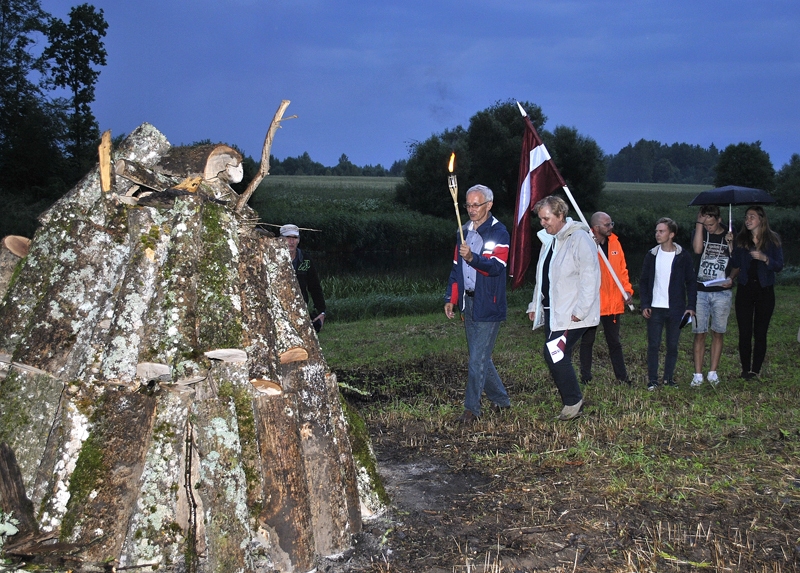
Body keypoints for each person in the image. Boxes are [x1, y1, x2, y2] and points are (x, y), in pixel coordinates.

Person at [444, 185, 511, 425]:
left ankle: (471, 409)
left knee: (477, 360)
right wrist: (451, 298)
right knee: (480, 357)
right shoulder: (462, 232)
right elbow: (455, 270)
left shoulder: (498, 232)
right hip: (468, 303)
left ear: (489, 205)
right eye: (468, 205)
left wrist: (473, 257)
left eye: (476, 205)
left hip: (488, 304)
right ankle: (502, 400)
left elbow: (496, 267)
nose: (471, 210)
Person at [527, 196, 599, 420]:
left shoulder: (579, 239)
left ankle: (573, 402)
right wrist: (535, 304)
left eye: (546, 218)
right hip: (553, 311)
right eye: (540, 219)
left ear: (560, 215)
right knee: (555, 353)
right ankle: (572, 400)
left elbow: (591, 277)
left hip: (572, 313)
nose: (543, 223)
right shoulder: (550, 241)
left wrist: (581, 310)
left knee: (555, 353)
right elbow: (542, 276)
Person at [639, 218, 696, 390]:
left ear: (671, 234)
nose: (657, 234)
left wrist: (690, 306)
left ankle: (669, 379)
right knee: (654, 345)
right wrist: (645, 304)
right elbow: (644, 281)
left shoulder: (683, 256)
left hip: (676, 308)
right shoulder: (651, 255)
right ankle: (653, 380)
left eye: (661, 231)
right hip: (655, 308)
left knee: (672, 345)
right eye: (656, 231)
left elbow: (691, 282)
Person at [579, 211, 633, 385]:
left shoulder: (615, 243)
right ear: (595, 228)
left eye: (611, 223)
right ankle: (585, 377)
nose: (611, 227)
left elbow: (622, 271)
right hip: (592, 302)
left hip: (612, 303)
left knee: (614, 343)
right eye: (607, 224)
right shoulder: (585, 243)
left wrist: (627, 290)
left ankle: (622, 378)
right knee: (587, 341)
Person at [729, 206, 783, 380]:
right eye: (746, 217)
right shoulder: (741, 239)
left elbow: (779, 266)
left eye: (752, 216)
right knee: (744, 332)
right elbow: (735, 263)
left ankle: (755, 370)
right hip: (745, 290)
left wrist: (765, 258)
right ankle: (745, 370)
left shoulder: (773, 240)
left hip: (765, 291)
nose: (748, 220)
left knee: (760, 332)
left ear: (761, 219)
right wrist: (730, 246)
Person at [691, 206, 736, 387]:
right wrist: (699, 225)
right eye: (705, 224)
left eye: (710, 224)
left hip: (721, 292)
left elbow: (737, 262)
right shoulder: (700, 232)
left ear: (719, 219)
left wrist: (731, 278)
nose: (708, 227)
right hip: (701, 291)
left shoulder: (730, 234)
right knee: (699, 332)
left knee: (718, 332)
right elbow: (696, 250)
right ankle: (698, 374)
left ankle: (713, 372)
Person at [280, 224, 326, 333]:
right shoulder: (272, 258)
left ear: (299, 240)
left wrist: (322, 311)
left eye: (294, 238)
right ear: (280, 239)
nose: (291, 241)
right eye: (288, 237)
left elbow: (314, 286)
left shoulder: (306, 260)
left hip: (301, 308)